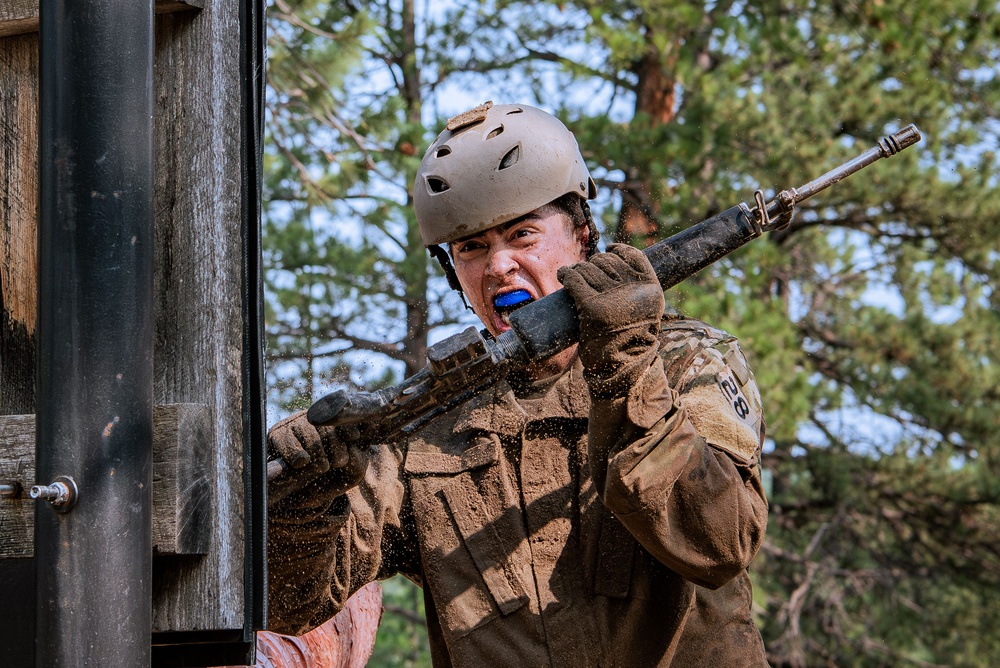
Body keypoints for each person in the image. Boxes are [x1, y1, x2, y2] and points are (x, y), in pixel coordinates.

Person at [267, 101, 770, 667]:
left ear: (582, 233)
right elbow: (290, 607)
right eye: (472, 248)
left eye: (522, 234)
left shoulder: (684, 362)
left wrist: (627, 370)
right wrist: (300, 506)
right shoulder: (432, 425)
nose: (499, 266)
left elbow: (718, 542)